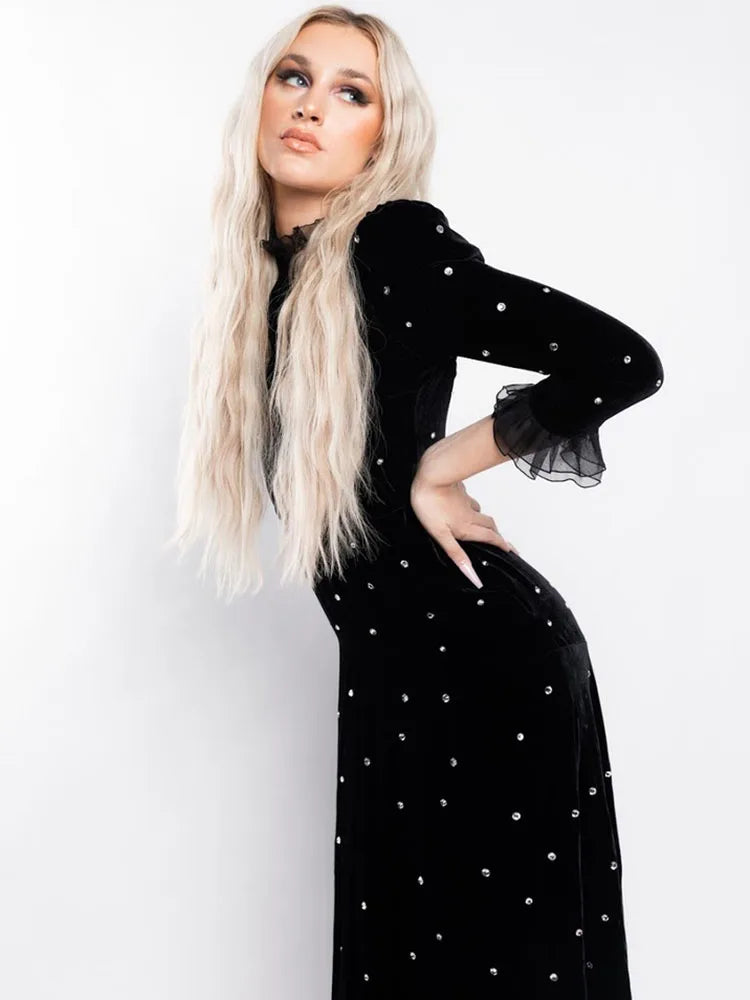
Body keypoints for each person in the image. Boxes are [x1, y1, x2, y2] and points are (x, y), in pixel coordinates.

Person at [169, 6, 664, 998]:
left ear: (383, 135)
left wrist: (444, 466)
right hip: (396, 677)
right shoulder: (274, 279)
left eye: (351, 93)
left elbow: (620, 359)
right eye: (294, 77)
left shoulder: (389, 244)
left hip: (485, 669)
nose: (311, 106)